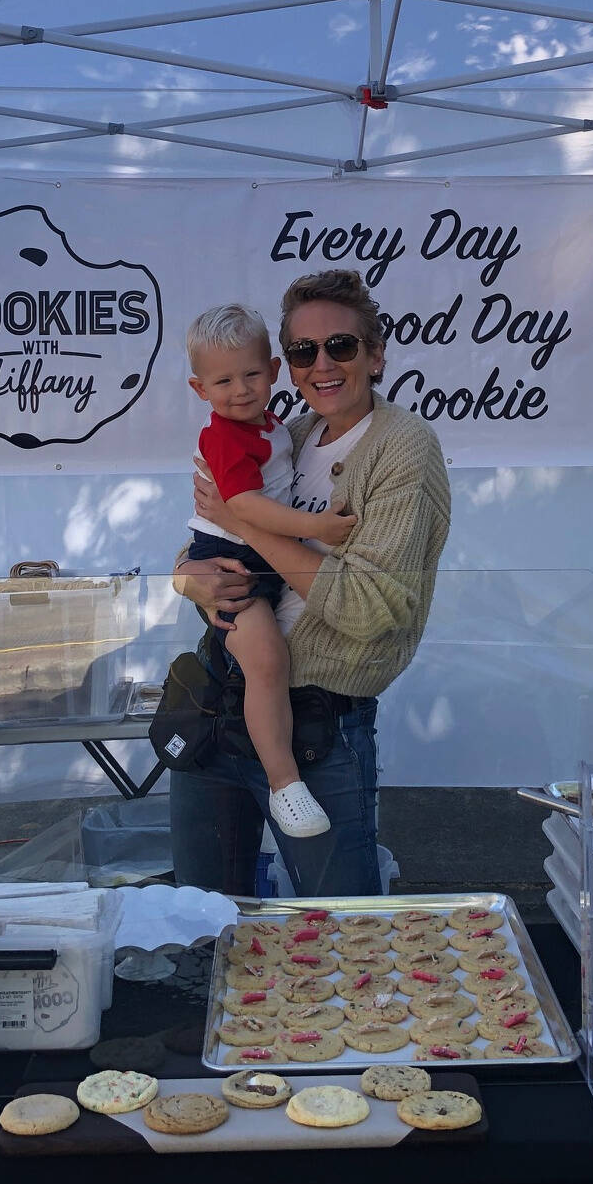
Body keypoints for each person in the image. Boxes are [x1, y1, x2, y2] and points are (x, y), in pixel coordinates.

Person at [171, 269, 451, 897]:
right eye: (305, 351)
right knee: (207, 927)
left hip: (322, 732)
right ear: (288, 366)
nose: (321, 363)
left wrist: (241, 518)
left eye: (341, 346)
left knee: (342, 928)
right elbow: (201, 539)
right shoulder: (286, 435)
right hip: (220, 705)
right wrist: (188, 580)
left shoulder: (405, 447)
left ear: (375, 356)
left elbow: (372, 607)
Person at [183, 303, 358, 839]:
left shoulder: (277, 426)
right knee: (266, 661)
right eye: (223, 380)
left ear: (275, 371)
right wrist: (319, 527)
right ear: (200, 389)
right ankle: (285, 785)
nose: (240, 389)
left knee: (268, 663)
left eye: (252, 374)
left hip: (260, 562)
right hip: (238, 566)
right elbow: (246, 507)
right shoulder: (224, 437)